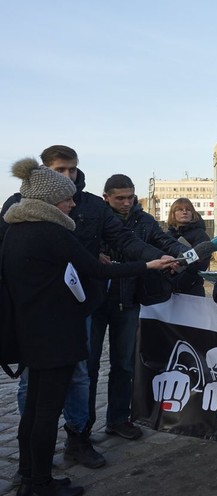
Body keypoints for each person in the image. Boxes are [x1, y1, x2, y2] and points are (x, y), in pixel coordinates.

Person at [2, 158, 173, 496]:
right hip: (56, 334)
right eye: (67, 198)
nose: (72, 203)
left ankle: (28, 477)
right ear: (51, 201)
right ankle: (41, 485)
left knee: (33, 409)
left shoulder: (15, 230)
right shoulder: (52, 231)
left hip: (29, 332)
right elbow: (96, 271)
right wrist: (149, 264)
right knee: (47, 413)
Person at [88, 175, 187, 442]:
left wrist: (183, 255)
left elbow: (163, 241)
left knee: (125, 364)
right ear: (106, 196)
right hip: (95, 301)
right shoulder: (94, 217)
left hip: (129, 300)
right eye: (120, 198)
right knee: (89, 365)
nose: (127, 202)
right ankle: (81, 429)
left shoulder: (144, 220)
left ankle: (118, 419)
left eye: (130, 197)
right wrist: (93, 253)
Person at [165, 198, 211, 297]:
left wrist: (180, 280)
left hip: (192, 289)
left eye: (188, 209)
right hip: (168, 289)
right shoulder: (166, 235)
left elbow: (201, 264)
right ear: (173, 214)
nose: (184, 212)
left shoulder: (200, 235)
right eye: (180, 209)